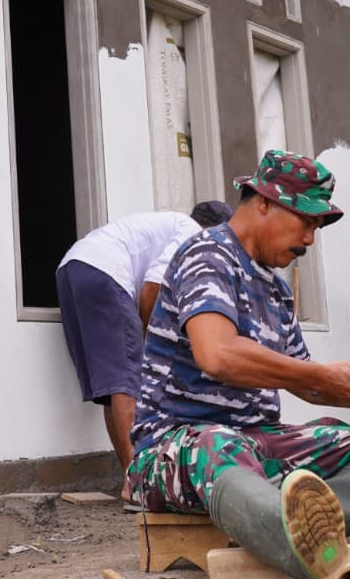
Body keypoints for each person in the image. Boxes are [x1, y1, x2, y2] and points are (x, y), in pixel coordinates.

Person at [127, 150, 350, 579]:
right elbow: (217, 354)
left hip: (256, 445)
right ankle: (295, 542)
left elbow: (303, 379)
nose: (309, 239)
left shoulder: (277, 291)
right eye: (306, 222)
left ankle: (309, 527)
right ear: (263, 200)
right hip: (176, 449)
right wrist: (319, 375)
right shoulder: (207, 256)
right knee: (217, 446)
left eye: (316, 227)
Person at [55, 200, 233, 471]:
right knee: (129, 381)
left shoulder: (172, 225)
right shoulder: (192, 233)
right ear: (214, 230)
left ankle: (130, 476)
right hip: (105, 270)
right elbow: (152, 287)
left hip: (72, 268)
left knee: (114, 387)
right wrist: (153, 342)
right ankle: (140, 480)